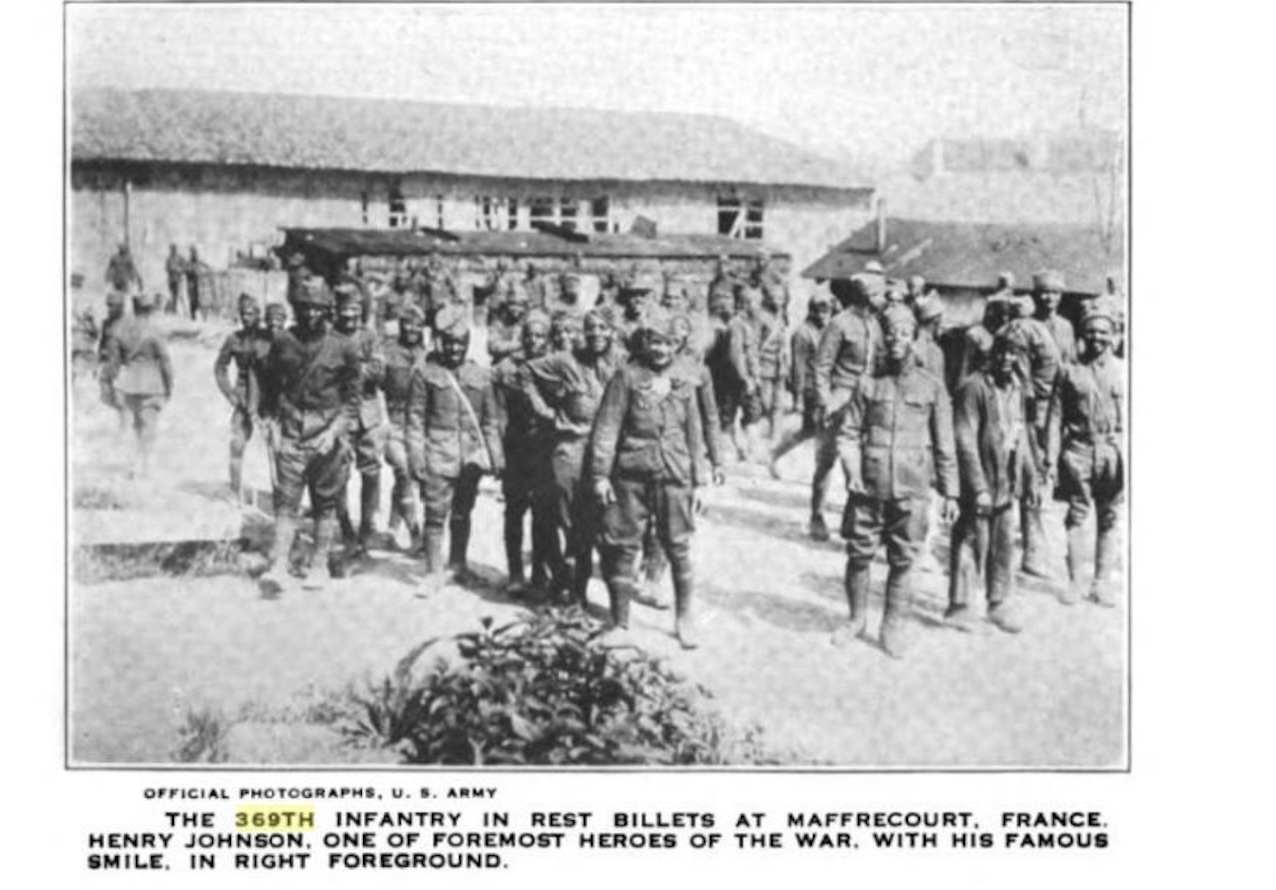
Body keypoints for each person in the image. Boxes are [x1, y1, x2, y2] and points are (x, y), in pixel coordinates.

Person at [834, 304, 958, 658]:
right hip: (867, 485)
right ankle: (856, 619)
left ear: (914, 338)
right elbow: (848, 433)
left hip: (912, 487)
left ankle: (892, 626)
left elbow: (945, 442)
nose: (896, 340)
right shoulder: (867, 384)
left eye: (903, 333)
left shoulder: (931, 387)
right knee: (859, 554)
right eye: (890, 333)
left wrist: (950, 491)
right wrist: (852, 471)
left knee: (903, 559)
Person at [589, 307, 709, 648]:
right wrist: (600, 475)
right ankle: (621, 623)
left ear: (677, 345)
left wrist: (698, 481)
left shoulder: (686, 379)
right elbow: (607, 428)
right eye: (655, 342)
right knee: (622, 546)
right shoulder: (626, 377)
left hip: (674, 473)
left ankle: (685, 619)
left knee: (678, 546)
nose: (660, 350)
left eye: (668, 343)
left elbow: (694, 432)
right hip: (631, 474)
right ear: (645, 342)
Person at [257, 279, 361, 592]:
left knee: (325, 504)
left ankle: (319, 565)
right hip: (290, 430)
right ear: (295, 309)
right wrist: (270, 423)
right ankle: (279, 565)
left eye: (317, 307)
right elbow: (270, 386)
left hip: (326, 433)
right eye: (304, 308)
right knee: (286, 503)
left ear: (327, 309)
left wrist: (335, 432)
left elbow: (352, 401)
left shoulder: (344, 346)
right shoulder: (283, 341)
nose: (310, 314)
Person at [523, 309, 624, 604]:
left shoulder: (621, 363)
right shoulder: (567, 361)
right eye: (590, 328)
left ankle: (578, 590)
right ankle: (566, 587)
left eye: (602, 328)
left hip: (607, 454)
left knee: (595, 526)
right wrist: (547, 413)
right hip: (571, 451)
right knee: (568, 522)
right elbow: (525, 372)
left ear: (612, 332)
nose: (596, 334)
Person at [945, 327, 1039, 634]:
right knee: (971, 540)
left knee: (1003, 544)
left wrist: (1030, 477)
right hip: (981, 481)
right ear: (991, 353)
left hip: (1006, 481)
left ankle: (997, 602)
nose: (1007, 359)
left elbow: (1022, 435)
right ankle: (959, 606)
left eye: (1014, 353)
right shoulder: (973, 388)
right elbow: (964, 439)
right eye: (1002, 352)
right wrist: (978, 486)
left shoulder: (1017, 387)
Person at [406, 306, 504, 596]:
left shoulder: (480, 374)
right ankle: (433, 572)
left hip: (470, 457)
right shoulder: (425, 373)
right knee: (435, 514)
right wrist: (416, 456)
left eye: (460, 343)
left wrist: (496, 456)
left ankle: (458, 565)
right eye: (449, 343)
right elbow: (414, 419)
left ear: (467, 343)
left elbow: (490, 421)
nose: (454, 349)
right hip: (437, 452)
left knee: (463, 512)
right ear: (440, 341)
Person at [1047, 306, 1125, 607]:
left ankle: (1102, 583)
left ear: (1113, 336)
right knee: (1077, 515)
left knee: (1109, 517)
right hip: (1078, 449)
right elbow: (1054, 417)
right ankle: (1076, 582)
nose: (1096, 337)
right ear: (1082, 334)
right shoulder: (1069, 371)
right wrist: (1051, 459)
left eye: (1103, 332)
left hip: (1113, 452)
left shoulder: (1125, 370)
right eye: (1091, 331)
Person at [809, 274, 884, 540]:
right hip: (841, 397)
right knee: (827, 460)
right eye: (878, 294)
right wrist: (825, 401)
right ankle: (816, 515)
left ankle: (851, 521)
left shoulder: (875, 325)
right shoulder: (839, 324)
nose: (882, 299)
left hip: (867, 398)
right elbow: (822, 366)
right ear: (865, 295)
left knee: (860, 461)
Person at [491, 311, 556, 594]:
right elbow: (497, 411)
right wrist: (500, 454)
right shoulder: (506, 368)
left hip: (545, 449)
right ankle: (516, 572)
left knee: (544, 514)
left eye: (541, 336)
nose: (534, 341)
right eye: (529, 335)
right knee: (515, 511)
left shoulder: (556, 365)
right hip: (516, 448)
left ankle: (540, 572)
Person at [1002, 292, 1062, 578]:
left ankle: (1030, 552)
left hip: (1027, 411)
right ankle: (1032, 551)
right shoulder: (1037, 329)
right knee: (1030, 479)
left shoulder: (1017, 332)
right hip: (1039, 409)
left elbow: (1020, 378)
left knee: (1025, 478)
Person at [331, 286, 388, 554]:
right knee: (339, 472)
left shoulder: (369, 336)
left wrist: (350, 368)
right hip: (340, 413)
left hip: (368, 413)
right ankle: (345, 529)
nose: (350, 318)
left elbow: (378, 371)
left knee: (371, 471)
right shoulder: (330, 336)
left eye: (355, 312)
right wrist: (357, 369)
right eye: (345, 312)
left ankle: (367, 527)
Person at [100, 293, 173, 479]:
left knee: (132, 427)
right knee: (149, 428)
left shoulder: (119, 330)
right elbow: (165, 361)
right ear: (150, 310)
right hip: (152, 384)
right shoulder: (155, 331)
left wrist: (107, 383)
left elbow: (112, 362)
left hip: (128, 384)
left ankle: (131, 466)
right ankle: (145, 468)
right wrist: (169, 386)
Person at [214, 293, 272, 503]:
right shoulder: (234, 339)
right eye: (243, 314)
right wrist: (229, 392)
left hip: (267, 394)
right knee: (237, 444)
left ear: (258, 315)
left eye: (250, 314)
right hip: (243, 395)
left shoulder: (269, 338)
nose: (246, 318)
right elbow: (220, 368)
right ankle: (234, 490)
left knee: (275, 446)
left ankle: (281, 496)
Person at [768, 290, 834, 477]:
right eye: (819, 312)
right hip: (811, 389)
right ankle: (778, 455)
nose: (823, 316)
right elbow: (798, 367)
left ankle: (776, 454)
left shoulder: (828, 331)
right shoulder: (802, 334)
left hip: (826, 387)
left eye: (826, 312)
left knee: (812, 431)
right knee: (814, 431)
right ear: (812, 312)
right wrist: (798, 396)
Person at [380, 305, 429, 550]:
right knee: (402, 469)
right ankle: (415, 532)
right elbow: (374, 388)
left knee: (408, 476)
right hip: (393, 420)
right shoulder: (387, 352)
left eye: (418, 325)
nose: (412, 329)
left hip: (418, 424)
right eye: (408, 323)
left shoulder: (427, 355)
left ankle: (391, 529)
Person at [1032, 270, 1077, 364]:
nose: (1050, 298)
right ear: (1037, 294)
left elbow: (1070, 358)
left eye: (1055, 293)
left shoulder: (1066, 326)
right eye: (1045, 292)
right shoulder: (1029, 324)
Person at [184, 246, 207, 321]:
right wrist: (191, 271)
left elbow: (205, 266)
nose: (194, 254)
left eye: (195, 253)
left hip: (198, 283)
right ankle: (193, 315)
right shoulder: (188, 263)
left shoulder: (198, 262)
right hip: (191, 283)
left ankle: (199, 315)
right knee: (192, 299)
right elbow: (186, 270)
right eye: (193, 253)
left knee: (199, 299)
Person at [164, 244, 186, 315]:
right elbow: (166, 268)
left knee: (179, 295)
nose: (173, 250)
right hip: (171, 280)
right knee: (172, 295)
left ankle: (183, 311)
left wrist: (178, 270)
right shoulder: (168, 258)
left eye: (174, 248)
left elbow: (185, 267)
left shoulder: (180, 258)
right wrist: (171, 269)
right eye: (171, 249)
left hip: (178, 280)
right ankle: (174, 310)